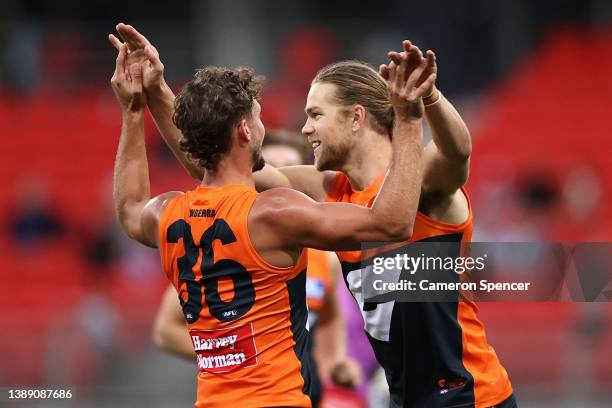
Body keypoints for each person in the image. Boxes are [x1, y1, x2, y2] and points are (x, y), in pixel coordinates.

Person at [111, 24, 516, 408]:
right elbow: (214, 163)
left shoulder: (418, 183)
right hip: (406, 398)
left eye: (316, 114)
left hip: (473, 395)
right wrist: (157, 92)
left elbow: (458, 152)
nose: (304, 129)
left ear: (356, 118)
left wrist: (427, 99)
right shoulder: (325, 190)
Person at [152, 133, 363, 407]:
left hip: (303, 391)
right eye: (263, 173)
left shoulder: (326, 258)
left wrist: (334, 360)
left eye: (280, 175)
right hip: (242, 394)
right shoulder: (217, 250)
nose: (269, 187)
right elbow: (165, 329)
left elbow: (330, 315)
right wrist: (232, 356)